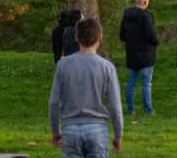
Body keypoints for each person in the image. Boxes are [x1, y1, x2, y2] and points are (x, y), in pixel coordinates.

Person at [49, 18, 123, 157]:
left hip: (70, 128)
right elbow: (115, 106)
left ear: (76, 38)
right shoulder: (107, 67)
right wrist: (118, 134)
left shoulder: (63, 65)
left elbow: (54, 102)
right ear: (100, 38)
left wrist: (55, 130)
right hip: (97, 129)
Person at [119, 0, 159, 116]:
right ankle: (148, 110)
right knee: (146, 82)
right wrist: (156, 42)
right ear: (146, 3)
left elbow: (122, 35)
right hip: (146, 54)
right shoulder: (146, 17)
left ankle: (130, 110)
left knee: (131, 83)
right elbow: (150, 35)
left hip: (132, 53)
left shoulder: (126, 15)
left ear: (136, 2)